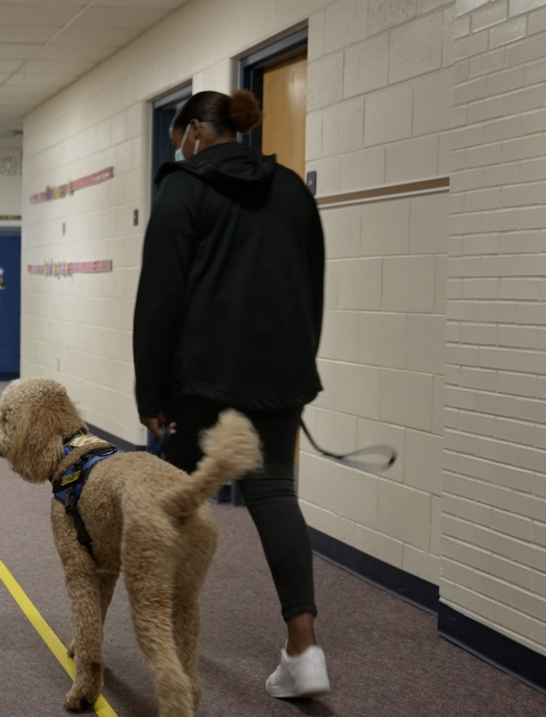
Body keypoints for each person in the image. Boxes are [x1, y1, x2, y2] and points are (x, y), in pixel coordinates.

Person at [133, 89, 329, 699]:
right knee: (274, 494)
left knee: (165, 499)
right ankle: (304, 648)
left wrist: (150, 392)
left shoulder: (183, 189)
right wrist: (297, 365)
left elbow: (160, 299)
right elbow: (313, 282)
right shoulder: (293, 188)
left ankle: (161, 639)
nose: (177, 148)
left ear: (194, 131)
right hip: (279, 375)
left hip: (202, 379)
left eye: (176, 137)